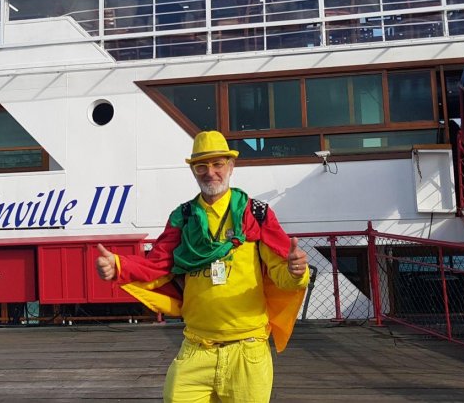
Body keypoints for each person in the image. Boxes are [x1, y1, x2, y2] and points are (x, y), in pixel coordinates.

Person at [95, 130, 310, 403]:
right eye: (201, 166)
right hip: (196, 348)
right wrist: (117, 266)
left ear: (231, 166)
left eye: (218, 164)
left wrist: (296, 272)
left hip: (247, 350)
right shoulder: (183, 217)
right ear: (193, 171)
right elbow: (158, 264)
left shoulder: (255, 213)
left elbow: (281, 271)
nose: (210, 173)